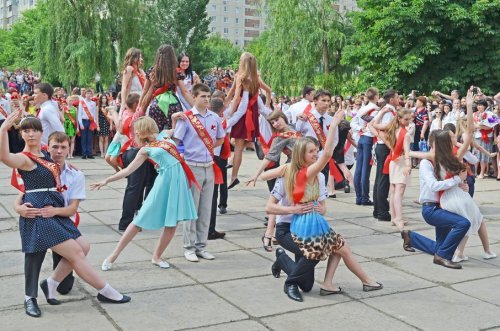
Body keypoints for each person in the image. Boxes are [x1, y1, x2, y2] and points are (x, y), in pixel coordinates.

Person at [0, 114, 130, 318]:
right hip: (39, 213)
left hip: (56, 211)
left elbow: (57, 165)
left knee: (83, 247)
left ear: (41, 133)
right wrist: (2, 130)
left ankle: (50, 284)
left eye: (34, 129)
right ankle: (105, 291)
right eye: (26, 130)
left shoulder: (45, 155)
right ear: (21, 134)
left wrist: (69, 167)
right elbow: (6, 158)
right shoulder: (24, 158)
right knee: (40, 256)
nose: (31, 133)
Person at [263, 109, 382, 302]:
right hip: (289, 229)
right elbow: (269, 208)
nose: (315, 154)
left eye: (315, 151)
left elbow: (323, 206)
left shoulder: (318, 176)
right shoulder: (289, 175)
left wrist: (321, 209)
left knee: (338, 246)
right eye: (311, 152)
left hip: (312, 226)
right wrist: (334, 126)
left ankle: (330, 283)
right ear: (301, 154)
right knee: (312, 263)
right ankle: (289, 281)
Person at [91, 117, 197, 270]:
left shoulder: (165, 135)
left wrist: (175, 118)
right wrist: (107, 180)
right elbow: (128, 170)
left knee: (172, 223)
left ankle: (157, 257)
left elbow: (182, 128)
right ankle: (113, 256)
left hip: (178, 182)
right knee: (139, 220)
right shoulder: (145, 150)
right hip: (164, 183)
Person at [14, 131, 85, 299]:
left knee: (64, 287)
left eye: (63, 147)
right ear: (47, 150)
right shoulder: (40, 167)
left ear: (69, 149)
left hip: (63, 221)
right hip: (43, 220)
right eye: (55, 147)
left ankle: (52, 281)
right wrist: (18, 208)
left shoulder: (74, 174)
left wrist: (54, 211)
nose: (59, 151)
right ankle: (30, 296)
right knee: (35, 250)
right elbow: (25, 193)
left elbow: (72, 209)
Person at [173, 83, 224, 262]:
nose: (206, 99)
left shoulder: (214, 118)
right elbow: (176, 140)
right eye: (203, 96)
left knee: (205, 209)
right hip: (192, 166)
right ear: (194, 97)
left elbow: (220, 139)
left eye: (208, 96)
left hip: (209, 166)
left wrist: (205, 149)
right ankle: (189, 247)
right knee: (191, 209)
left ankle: (202, 246)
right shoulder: (186, 118)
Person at [247, 110, 302, 252]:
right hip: (290, 170)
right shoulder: (279, 138)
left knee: (286, 201)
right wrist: (256, 174)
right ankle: (268, 234)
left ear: (283, 117)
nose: (276, 124)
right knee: (276, 202)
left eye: (277, 120)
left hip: (302, 169)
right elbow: (269, 157)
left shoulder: (294, 129)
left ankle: (274, 235)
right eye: (272, 122)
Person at [227, 52, 272, 189]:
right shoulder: (256, 78)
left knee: (238, 147)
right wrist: (267, 105)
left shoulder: (240, 76)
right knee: (238, 142)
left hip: (242, 114)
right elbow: (269, 91)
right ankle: (255, 144)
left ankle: (234, 177)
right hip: (253, 113)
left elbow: (233, 94)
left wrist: (225, 106)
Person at [114, 93, 157, 231]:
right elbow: (146, 100)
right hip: (136, 152)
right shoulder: (135, 116)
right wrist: (151, 86)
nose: (142, 104)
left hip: (134, 152)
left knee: (138, 186)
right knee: (135, 188)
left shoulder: (126, 114)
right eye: (139, 102)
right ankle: (125, 223)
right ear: (135, 104)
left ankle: (135, 217)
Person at [371, 108, 413, 230]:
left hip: (393, 160)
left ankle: (395, 217)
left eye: (409, 119)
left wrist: (382, 113)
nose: (408, 121)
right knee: (398, 191)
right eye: (406, 119)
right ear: (399, 119)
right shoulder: (404, 133)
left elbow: (373, 125)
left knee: (394, 191)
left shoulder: (391, 127)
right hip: (399, 161)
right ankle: (398, 217)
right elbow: (407, 151)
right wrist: (408, 164)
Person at [140, 44, 193, 131]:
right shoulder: (176, 72)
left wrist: (140, 106)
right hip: (173, 105)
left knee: (155, 132)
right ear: (172, 57)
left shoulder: (152, 71)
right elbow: (184, 92)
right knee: (174, 132)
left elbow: (145, 90)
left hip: (156, 105)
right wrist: (195, 107)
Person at [368, 90, 399, 223]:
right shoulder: (389, 112)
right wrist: (392, 148)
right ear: (391, 99)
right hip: (385, 147)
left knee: (380, 179)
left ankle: (378, 209)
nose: (399, 99)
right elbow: (384, 131)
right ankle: (382, 211)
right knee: (383, 180)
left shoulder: (386, 110)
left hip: (382, 146)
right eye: (397, 97)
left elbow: (372, 125)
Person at [351, 87, 379, 206]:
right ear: (376, 96)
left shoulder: (363, 108)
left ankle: (359, 197)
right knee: (365, 170)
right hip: (368, 139)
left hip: (362, 138)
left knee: (358, 169)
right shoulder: (375, 109)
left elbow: (353, 122)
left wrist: (359, 129)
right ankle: (364, 197)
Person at [77, 89, 98, 159]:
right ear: (85, 95)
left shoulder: (93, 103)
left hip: (90, 121)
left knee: (89, 137)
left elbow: (94, 114)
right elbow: (79, 114)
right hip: (83, 120)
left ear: (91, 95)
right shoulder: (81, 103)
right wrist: (80, 124)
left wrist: (94, 122)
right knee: (83, 138)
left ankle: (89, 153)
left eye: (90, 94)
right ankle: (84, 153)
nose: (89, 95)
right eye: (87, 94)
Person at [97, 94, 112, 158]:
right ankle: (102, 153)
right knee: (101, 139)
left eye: (105, 98)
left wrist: (111, 125)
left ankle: (105, 152)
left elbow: (110, 116)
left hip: (107, 123)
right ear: (101, 99)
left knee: (106, 139)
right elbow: (96, 117)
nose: (104, 100)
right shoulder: (98, 107)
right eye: (102, 98)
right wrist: (97, 125)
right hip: (100, 123)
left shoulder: (108, 107)